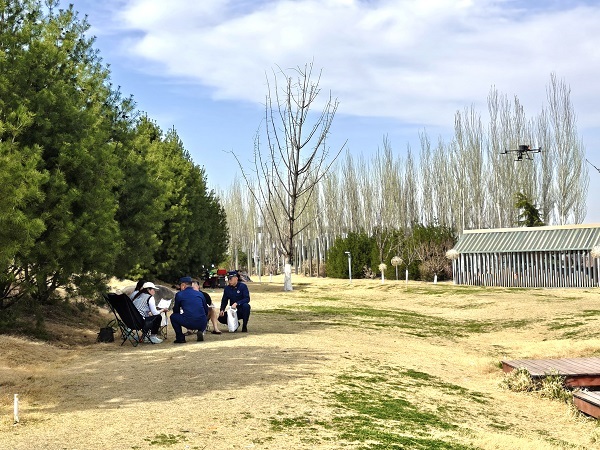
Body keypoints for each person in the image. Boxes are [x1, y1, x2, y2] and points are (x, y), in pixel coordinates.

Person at [170, 276, 208, 343]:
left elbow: (176, 310)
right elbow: (206, 309)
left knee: (173, 317)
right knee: (201, 315)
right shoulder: (200, 294)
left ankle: (180, 337)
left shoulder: (179, 294)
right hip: (202, 322)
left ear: (183, 285)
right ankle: (201, 331)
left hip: (190, 322)